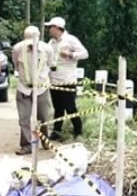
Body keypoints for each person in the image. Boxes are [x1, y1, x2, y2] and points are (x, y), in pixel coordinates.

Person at [12, 25, 53, 154]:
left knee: (43, 117)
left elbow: (50, 65)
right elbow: (16, 66)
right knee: (24, 118)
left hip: (41, 88)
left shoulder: (47, 49)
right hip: (24, 87)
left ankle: (45, 140)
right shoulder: (18, 48)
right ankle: (26, 145)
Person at [46, 16, 89, 139]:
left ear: (56, 28)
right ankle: (57, 131)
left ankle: (78, 131)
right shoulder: (51, 43)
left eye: (50, 27)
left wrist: (70, 55)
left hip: (67, 79)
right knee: (57, 107)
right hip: (54, 78)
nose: (49, 30)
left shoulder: (70, 40)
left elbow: (85, 54)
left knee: (70, 107)